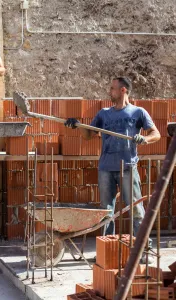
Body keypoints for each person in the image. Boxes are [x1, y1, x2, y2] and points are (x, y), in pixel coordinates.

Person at [64, 77, 160, 262]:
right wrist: (76, 125)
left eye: (113, 89)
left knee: (136, 209)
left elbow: (155, 133)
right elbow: (88, 135)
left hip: (128, 167)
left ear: (123, 90)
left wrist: (144, 139)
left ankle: (144, 250)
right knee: (106, 212)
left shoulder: (137, 112)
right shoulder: (104, 114)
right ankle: (108, 251)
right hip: (106, 168)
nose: (110, 92)